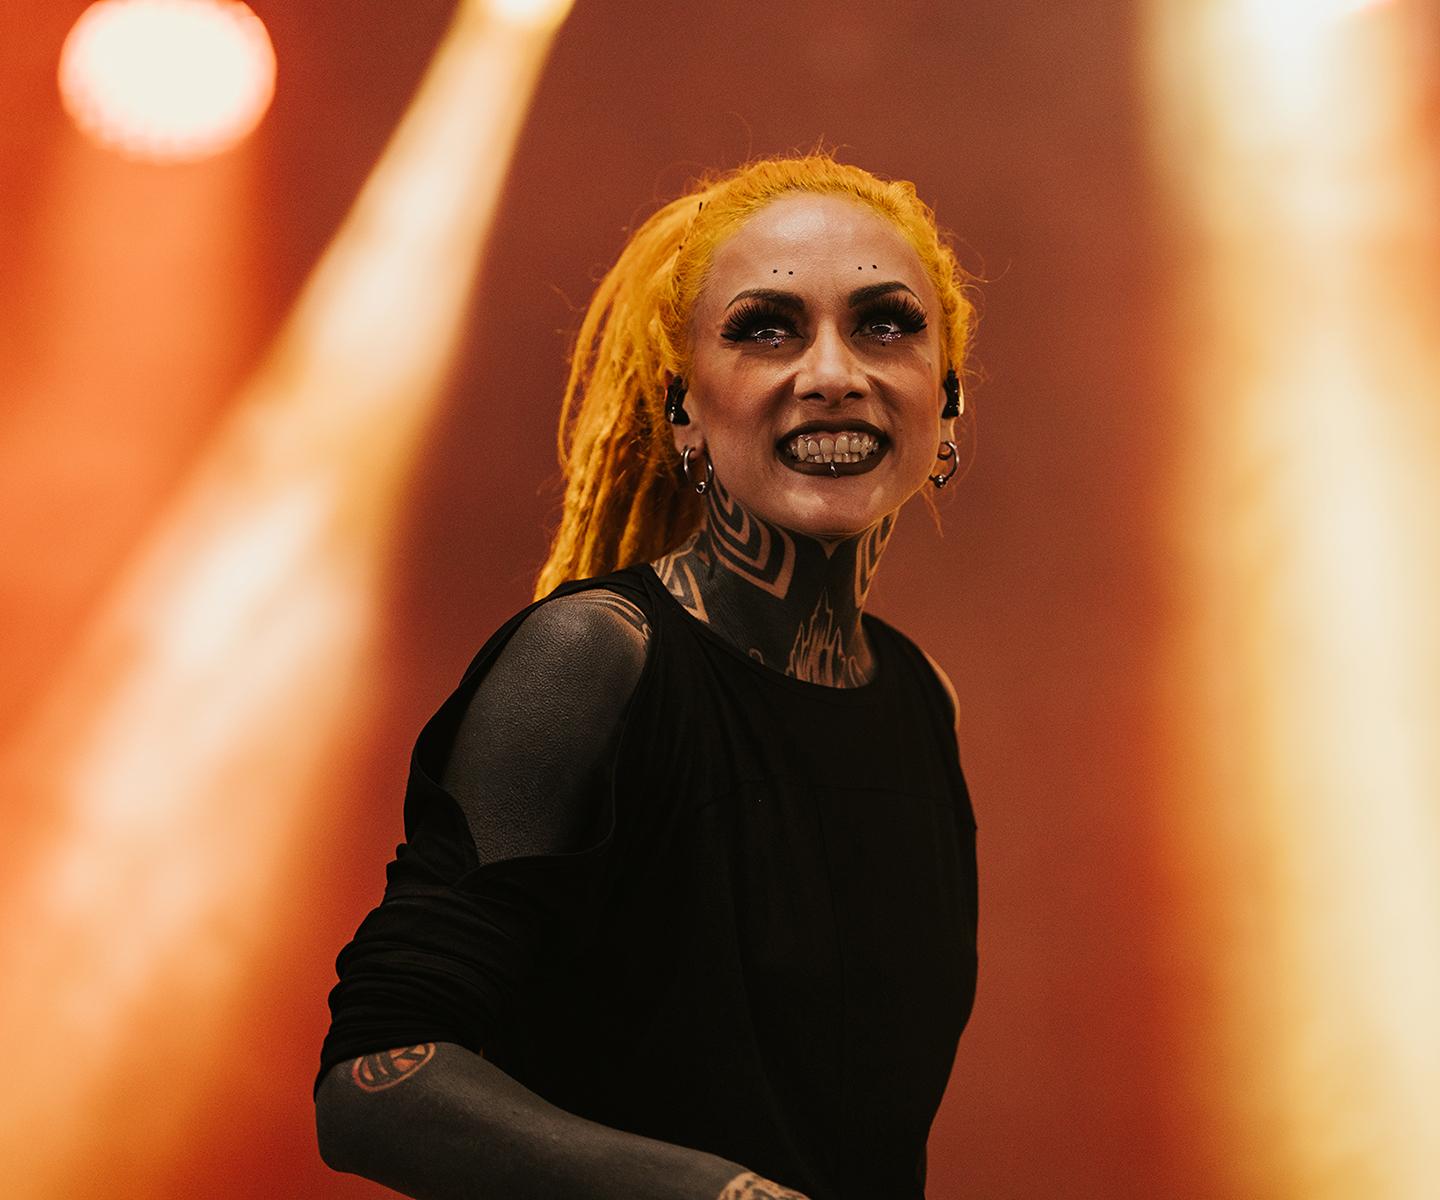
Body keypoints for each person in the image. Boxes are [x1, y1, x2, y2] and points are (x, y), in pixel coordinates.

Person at [313, 153, 981, 1200]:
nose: (833, 372)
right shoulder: (596, 656)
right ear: (683, 411)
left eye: (885, 324)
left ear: (948, 402)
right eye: (767, 329)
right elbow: (374, 1081)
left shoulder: (921, 697)